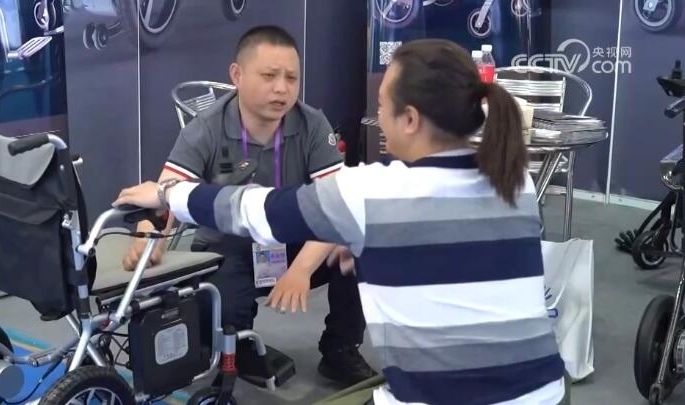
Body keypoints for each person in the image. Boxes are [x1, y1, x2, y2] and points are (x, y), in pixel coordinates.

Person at [114, 38, 567, 404]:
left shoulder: (368, 191)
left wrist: (166, 194)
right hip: (547, 394)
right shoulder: (518, 184)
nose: (378, 120)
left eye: (382, 106)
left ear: (410, 119)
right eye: (269, 75)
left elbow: (257, 210)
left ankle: (338, 349)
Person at [122, 25, 375, 385]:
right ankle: (237, 343)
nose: (282, 88)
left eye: (291, 78)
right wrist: (150, 235)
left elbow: (336, 206)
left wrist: (302, 269)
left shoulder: (312, 124)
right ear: (236, 75)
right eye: (269, 76)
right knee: (222, 315)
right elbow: (166, 193)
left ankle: (341, 348)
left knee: (360, 245)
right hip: (229, 248)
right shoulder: (205, 128)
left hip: (294, 243)